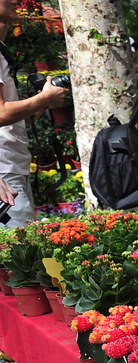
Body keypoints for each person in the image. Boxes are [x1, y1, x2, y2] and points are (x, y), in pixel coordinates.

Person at [0, 0, 69, 229]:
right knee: (20, 249)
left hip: (11, 165)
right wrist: (44, 99)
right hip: (3, 171)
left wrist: (37, 106)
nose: (15, 1)